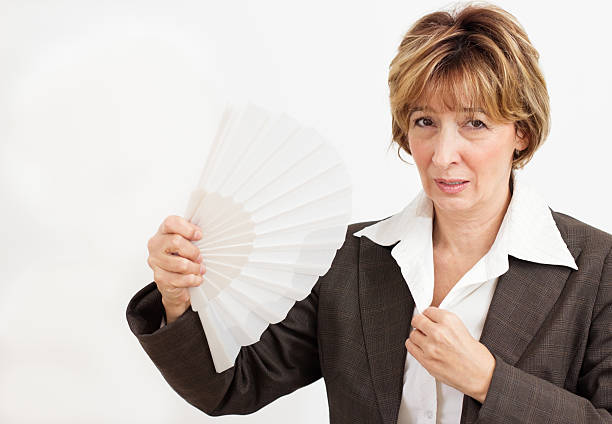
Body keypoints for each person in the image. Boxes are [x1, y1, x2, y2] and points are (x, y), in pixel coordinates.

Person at [126, 2, 612, 423]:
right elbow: (231, 387)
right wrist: (176, 298)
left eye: (475, 124)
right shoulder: (351, 260)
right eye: (425, 122)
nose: (443, 155)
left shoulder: (597, 266)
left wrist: (488, 380)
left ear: (521, 132)